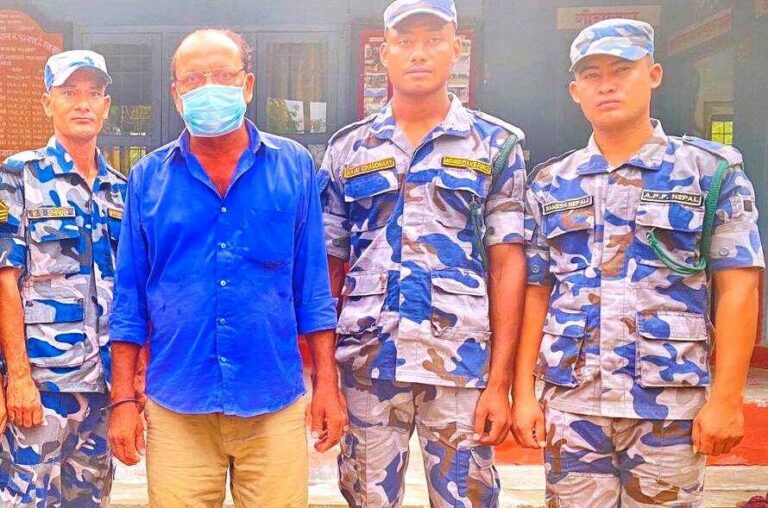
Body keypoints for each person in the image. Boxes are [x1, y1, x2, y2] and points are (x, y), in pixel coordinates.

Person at [513, 18, 765, 507]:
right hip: (573, 402)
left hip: (669, 405)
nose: (606, 84)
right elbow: (537, 292)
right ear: (575, 91)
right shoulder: (550, 183)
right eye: (592, 74)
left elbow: (739, 288)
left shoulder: (710, 172)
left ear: (653, 75)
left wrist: (727, 400)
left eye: (622, 69)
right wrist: (524, 393)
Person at [107, 29, 344, 507]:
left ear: (247, 85)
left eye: (222, 75)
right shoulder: (148, 179)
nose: (208, 88)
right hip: (179, 402)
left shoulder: (293, 167)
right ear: (176, 93)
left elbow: (313, 290)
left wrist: (326, 384)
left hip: (272, 398)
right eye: (193, 79)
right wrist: (123, 401)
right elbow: (129, 299)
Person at [319, 1, 527, 506]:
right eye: (405, 41)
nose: (419, 53)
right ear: (383, 52)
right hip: (368, 364)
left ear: (456, 49)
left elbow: (508, 264)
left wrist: (500, 381)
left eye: (434, 40)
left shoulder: (495, 145)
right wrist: (324, 375)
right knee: (367, 498)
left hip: (460, 365)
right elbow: (327, 268)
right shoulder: (349, 149)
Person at [0, 50, 124, 506]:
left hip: (104, 388)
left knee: (89, 501)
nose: (83, 103)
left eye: (93, 93)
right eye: (69, 92)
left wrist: (129, 385)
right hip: (41, 388)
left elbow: (130, 290)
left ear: (106, 106)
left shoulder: (120, 190)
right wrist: (16, 378)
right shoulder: (17, 177)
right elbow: (4, 281)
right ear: (47, 102)